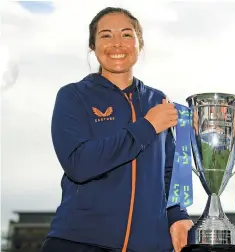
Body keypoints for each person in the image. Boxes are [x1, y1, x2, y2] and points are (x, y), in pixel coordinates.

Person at [40, 7, 193, 252]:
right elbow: (79, 164)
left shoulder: (157, 101)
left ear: (139, 44)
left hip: (149, 246)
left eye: (126, 35)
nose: (117, 44)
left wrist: (177, 215)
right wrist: (146, 126)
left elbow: (169, 171)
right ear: (92, 45)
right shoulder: (73, 96)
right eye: (106, 35)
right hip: (79, 243)